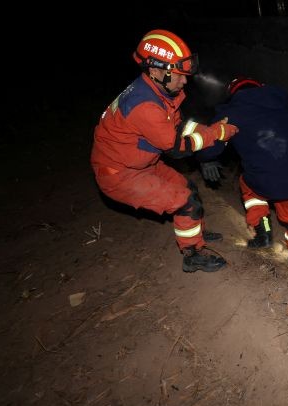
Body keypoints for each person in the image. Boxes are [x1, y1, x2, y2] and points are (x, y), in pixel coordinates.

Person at [91, 29, 238, 273]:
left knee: (188, 187)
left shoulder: (161, 91)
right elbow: (178, 148)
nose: (185, 81)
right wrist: (215, 135)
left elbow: (180, 127)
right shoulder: (144, 105)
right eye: (178, 75)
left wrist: (208, 128)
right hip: (119, 173)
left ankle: (194, 230)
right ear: (156, 70)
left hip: (140, 161)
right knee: (185, 202)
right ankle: (192, 254)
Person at [196, 77, 288, 269]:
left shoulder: (233, 112)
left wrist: (206, 159)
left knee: (248, 185)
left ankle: (262, 232)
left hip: (264, 180)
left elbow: (211, 140)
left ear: (234, 95)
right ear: (261, 87)